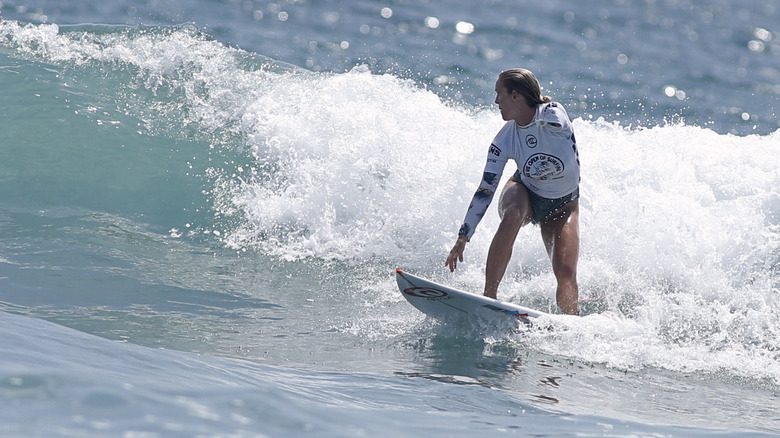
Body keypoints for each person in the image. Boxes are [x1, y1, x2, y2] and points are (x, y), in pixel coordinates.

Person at [444, 68, 581, 315]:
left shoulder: (553, 113)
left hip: (563, 205)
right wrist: (463, 236)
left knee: (565, 273)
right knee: (514, 212)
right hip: (524, 190)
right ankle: (489, 298)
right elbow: (485, 190)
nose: (496, 101)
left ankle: (571, 322)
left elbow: (558, 120)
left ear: (515, 96)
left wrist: (535, 116)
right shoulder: (503, 141)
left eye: (500, 94)